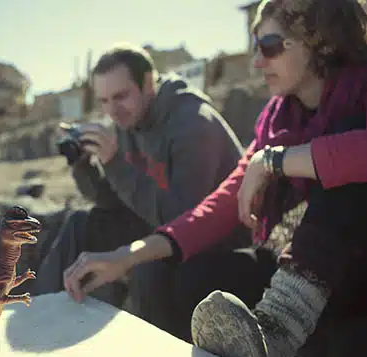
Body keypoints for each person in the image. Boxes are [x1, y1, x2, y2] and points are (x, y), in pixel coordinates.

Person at [63, 0, 367, 357]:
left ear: (320, 42)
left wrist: (277, 160)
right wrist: (125, 257)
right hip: (335, 268)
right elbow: (217, 208)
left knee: (351, 174)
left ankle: (276, 336)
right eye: (255, 47)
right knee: (176, 272)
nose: (257, 61)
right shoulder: (278, 121)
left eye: (271, 45)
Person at [28, 43, 249, 334]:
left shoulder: (193, 124)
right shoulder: (130, 120)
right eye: (104, 100)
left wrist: (115, 162)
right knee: (81, 224)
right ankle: (43, 317)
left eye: (120, 96)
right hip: (162, 225)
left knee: (149, 268)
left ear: (148, 83)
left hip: (217, 242)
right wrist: (84, 165)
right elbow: (113, 200)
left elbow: (181, 219)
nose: (112, 110)